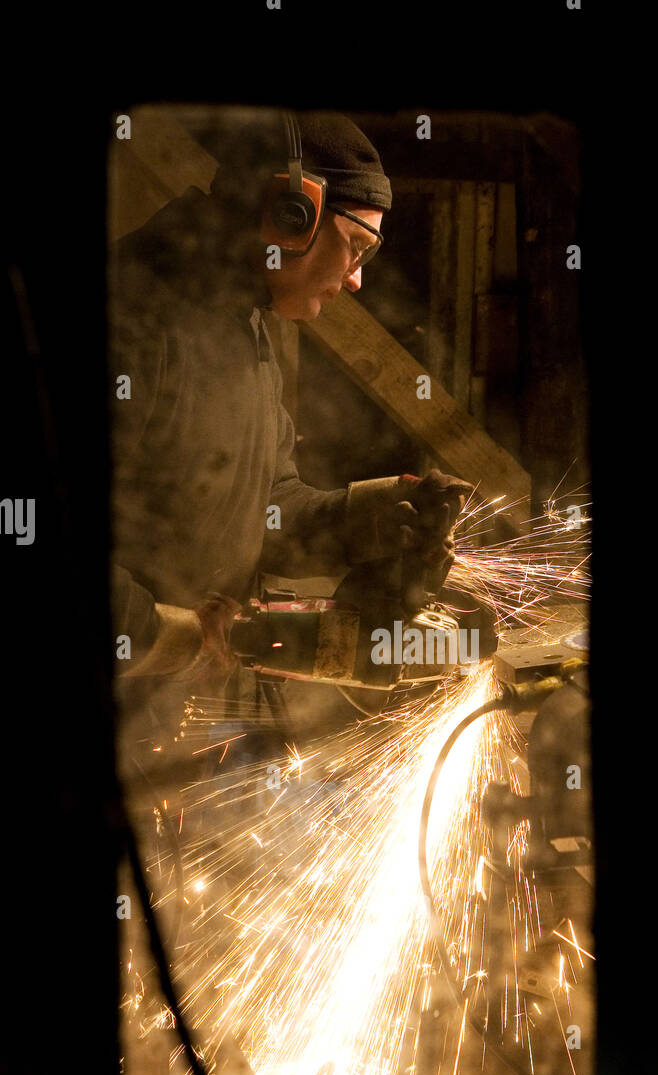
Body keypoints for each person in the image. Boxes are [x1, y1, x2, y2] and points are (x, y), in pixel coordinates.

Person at [110, 110, 472, 721]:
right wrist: (170, 635)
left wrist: (380, 516)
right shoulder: (134, 314)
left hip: (198, 718)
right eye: (356, 245)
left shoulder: (246, 325)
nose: (356, 279)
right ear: (292, 213)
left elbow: (267, 505)